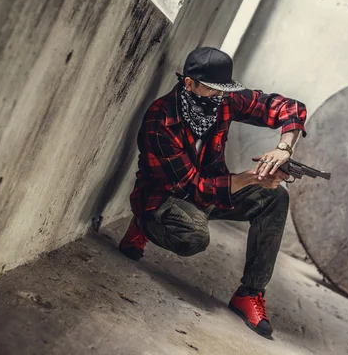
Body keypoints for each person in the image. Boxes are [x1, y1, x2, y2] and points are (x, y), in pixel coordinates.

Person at [119, 47, 307, 338]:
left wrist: (284, 148)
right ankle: (144, 223)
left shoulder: (224, 100)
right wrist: (253, 177)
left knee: (276, 197)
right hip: (166, 197)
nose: (218, 97)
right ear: (189, 83)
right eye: (211, 89)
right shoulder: (161, 120)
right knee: (193, 236)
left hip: (212, 191)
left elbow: (290, 108)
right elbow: (193, 188)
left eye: (223, 90)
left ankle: (249, 294)